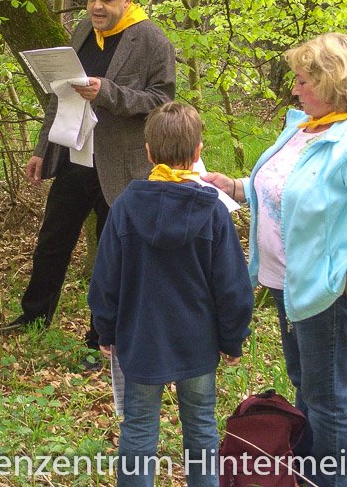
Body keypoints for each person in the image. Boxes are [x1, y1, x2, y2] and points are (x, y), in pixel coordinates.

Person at [204, 33, 347, 487]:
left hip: (326, 291)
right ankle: (306, 478)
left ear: (332, 82)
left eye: (302, 81)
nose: (294, 89)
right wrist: (236, 187)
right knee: (306, 387)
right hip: (289, 283)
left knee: (327, 401)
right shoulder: (310, 126)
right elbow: (287, 186)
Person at [6, 0, 175, 352]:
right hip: (74, 156)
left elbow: (163, 102)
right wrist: (42, 149)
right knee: (52, 242)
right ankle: (33, 318)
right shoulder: (84, 30)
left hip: (120, 167)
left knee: (112, 256)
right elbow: (60, 93)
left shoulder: (152, 41)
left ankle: (101, 339)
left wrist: (109, 93)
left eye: (107, 0)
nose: (97, 7)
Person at [88, 101, 253, 487]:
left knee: (138, 429)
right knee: (201, 428)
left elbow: (105, 278)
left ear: (148, 152)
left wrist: (105, 329)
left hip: (141, 341)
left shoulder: (125, 207)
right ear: (197, 153)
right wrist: (232, 337)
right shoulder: (214, 211)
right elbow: (233, 286)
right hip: (197, 343)